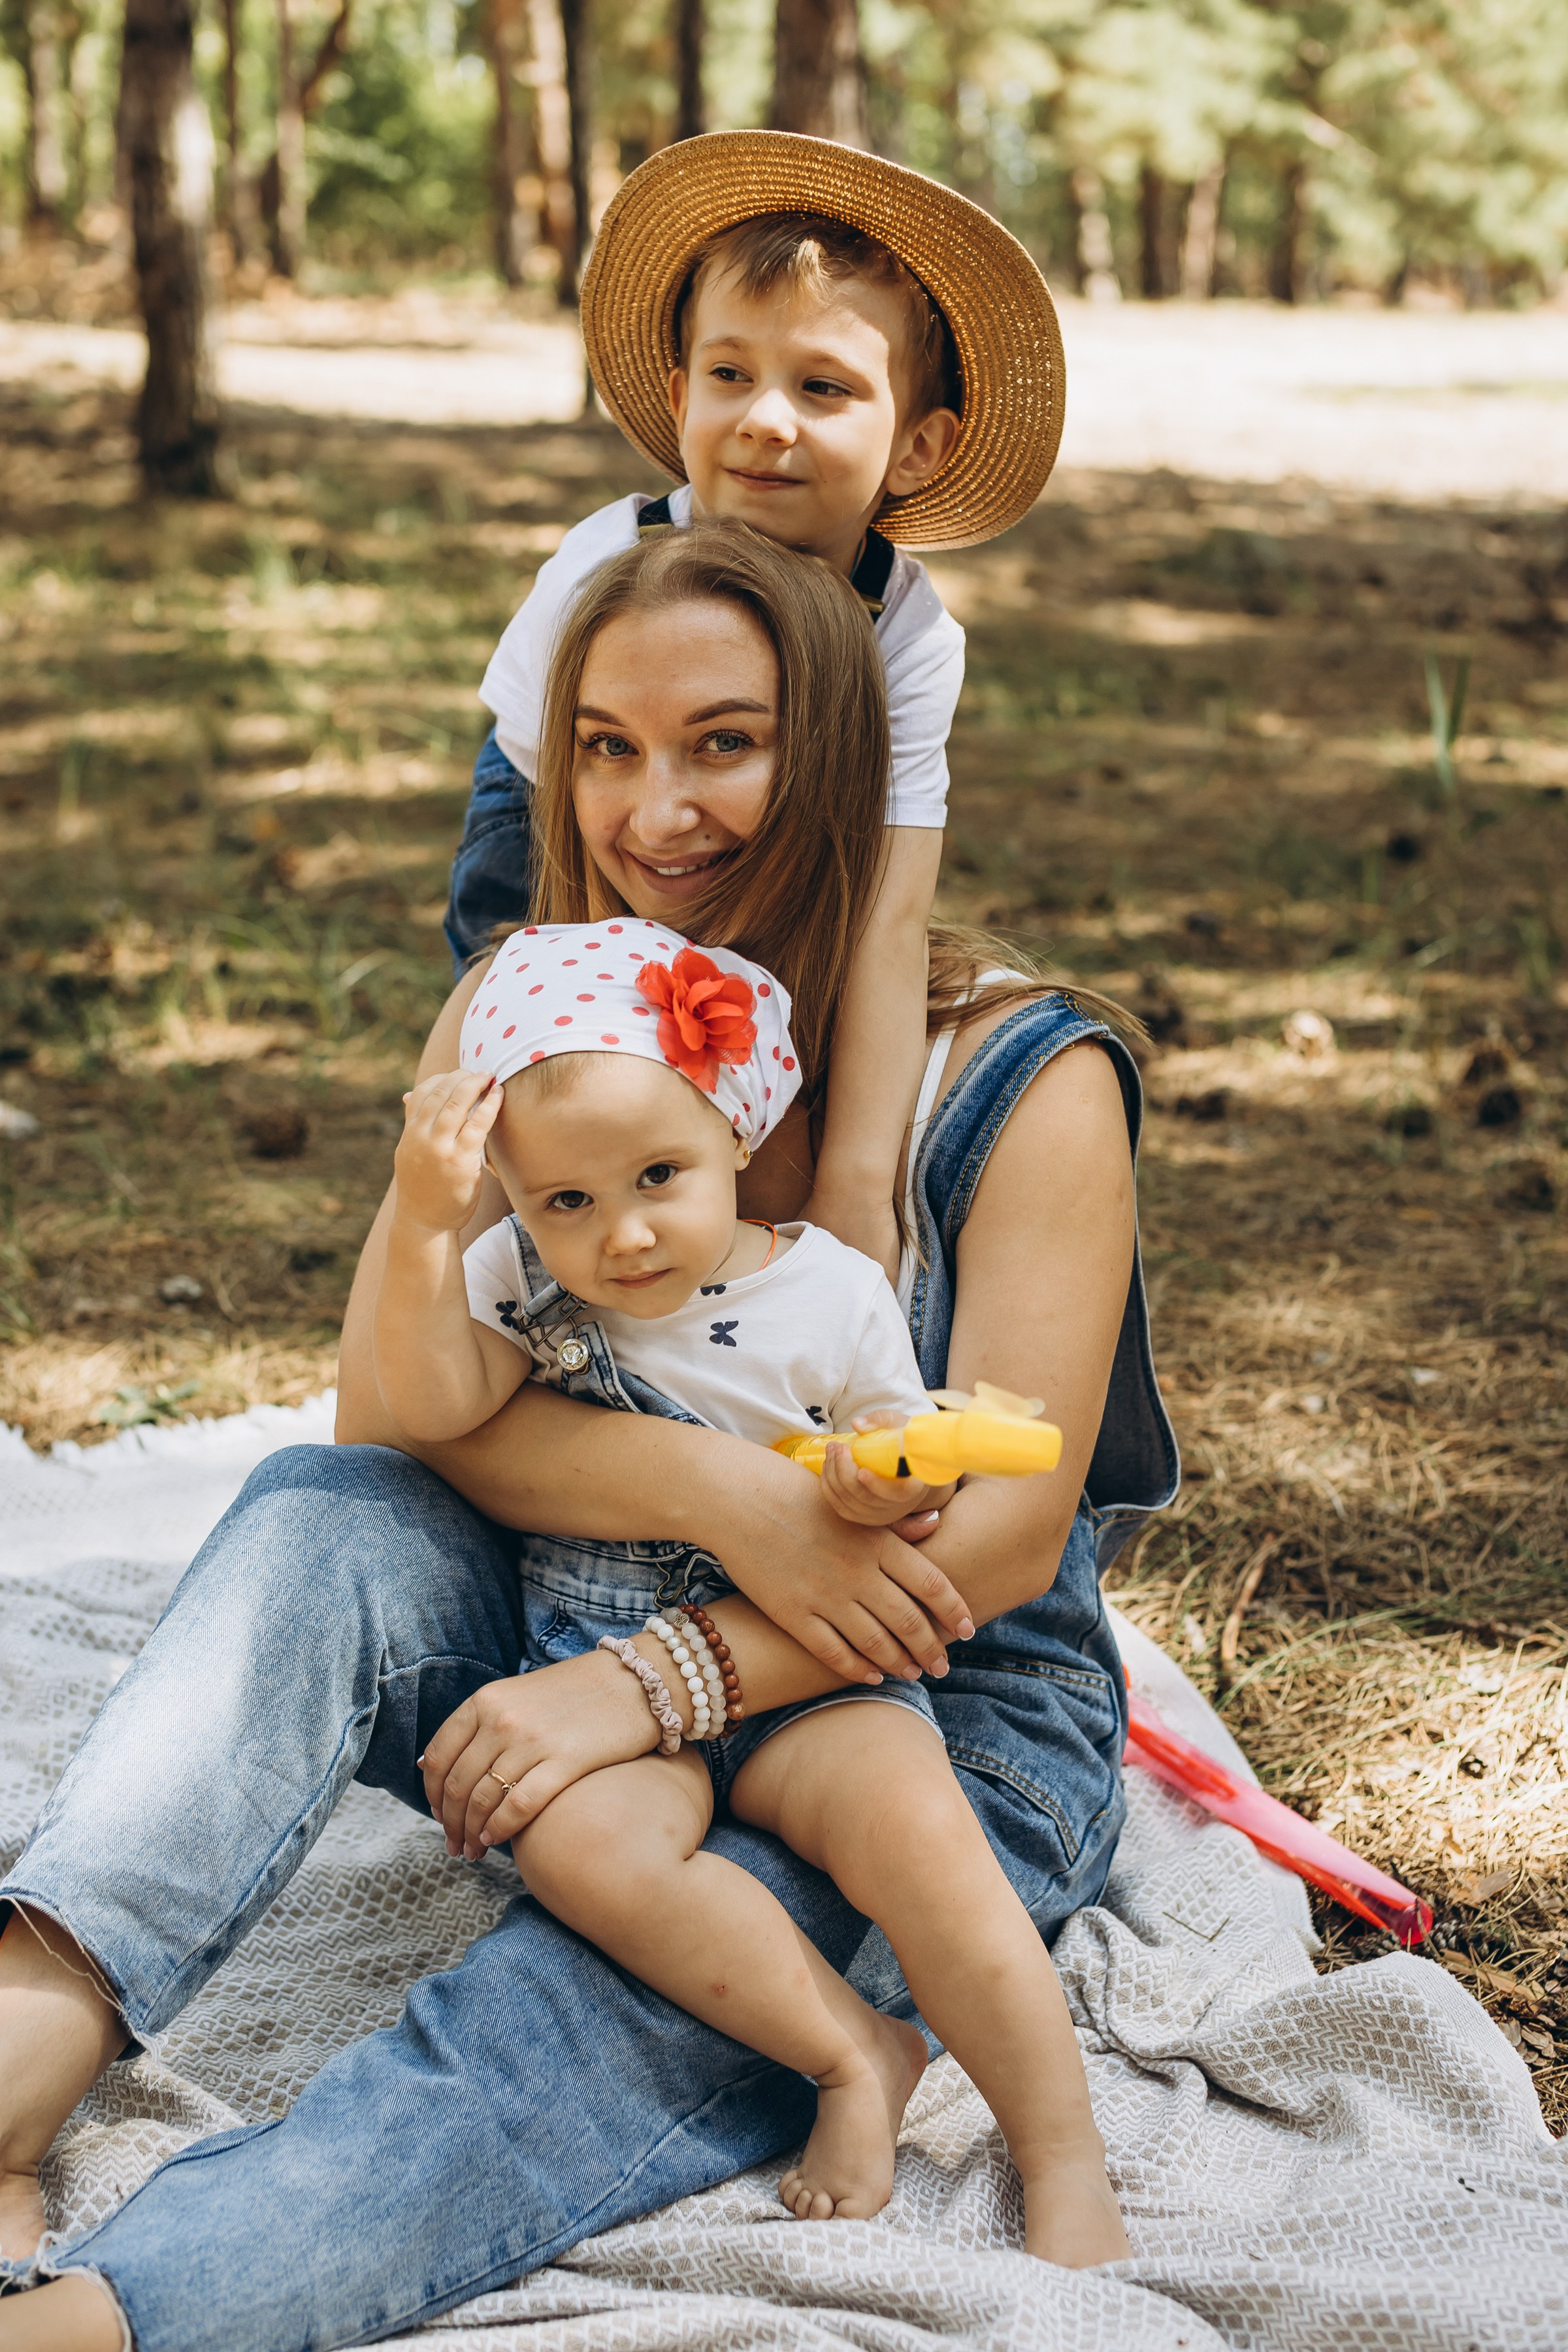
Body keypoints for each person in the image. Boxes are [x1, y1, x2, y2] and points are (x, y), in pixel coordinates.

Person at [0, 522, 1175, 2352]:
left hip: (916, 1696)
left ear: (846, 759)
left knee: (624, 1985)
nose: (656, 808)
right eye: (607, 746)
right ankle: (23, 2057)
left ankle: (120, 2316)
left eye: (726, 740)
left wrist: (651, 1684)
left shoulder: (1026, 1079)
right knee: (319, 1516)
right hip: (585, 1605)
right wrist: (713, 1494)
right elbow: (395, 1421)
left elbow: (994, 1548)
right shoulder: (547, 1014)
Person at [374, 916, 1130, 2262]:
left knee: (921, 1841)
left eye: (659, 1174)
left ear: (735, 1131)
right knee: (584, 1845)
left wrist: (872, 1486)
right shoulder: (515, 1281)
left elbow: (915, 1472)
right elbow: (429, 1405)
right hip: (595, 1662)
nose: (623, 1235)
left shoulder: (826, 1290)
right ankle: (849, 2050)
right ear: (523, 1199)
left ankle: (1061, 2153)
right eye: (567, 1203)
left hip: (800, 1664)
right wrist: (431, 1226)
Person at [449, 129, 1067, 1280]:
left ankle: (745, 1248)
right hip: (556, 823)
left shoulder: (911, 636)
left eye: (822, 387)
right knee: (559, 1059)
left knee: (768, 1060)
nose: (765, 418)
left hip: (775, 854)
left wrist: (855, 1193)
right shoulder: (605, 563)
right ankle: (519, 1258)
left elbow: (886, 915)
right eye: (731, 375)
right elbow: (577, 830)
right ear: (680, 393)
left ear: (921, 447)